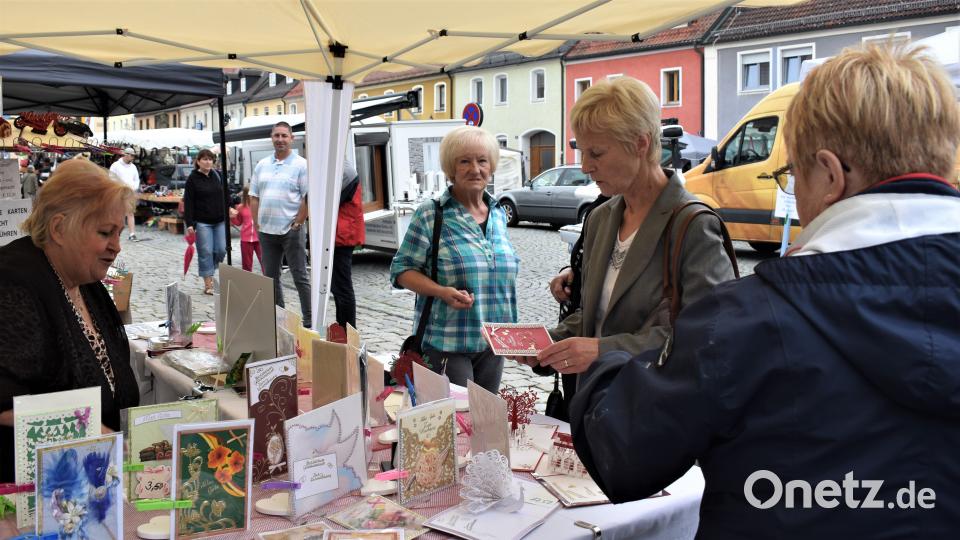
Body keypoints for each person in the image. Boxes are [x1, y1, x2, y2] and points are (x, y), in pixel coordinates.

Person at [570, 43, 960, 537]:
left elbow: (622, 451)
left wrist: (603, 365)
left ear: (830, 175)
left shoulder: (749, 320)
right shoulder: (609, 220)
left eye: (791, 172)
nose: (794, 188)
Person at [515, 77, 736, 390]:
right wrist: (549, 343)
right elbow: (595, 318)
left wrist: (602, 351)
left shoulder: (692, 225)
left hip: (655, 406)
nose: (585, 166)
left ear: (640, 144)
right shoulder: (600, 218)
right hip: (595, 403)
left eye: (596, 153)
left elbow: (711, 334)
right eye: (582, 151)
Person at [0, 160, 140, 481]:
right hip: (33, 485)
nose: (117, 247)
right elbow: (4, 400)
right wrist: (86, 428)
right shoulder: (13, 281)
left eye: (119, 233)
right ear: (59, 228)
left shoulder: (84, 280)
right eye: (105, 232)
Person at [390, 126, 520, 393]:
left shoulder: (497, 213)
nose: (475, 169)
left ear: (491, 166)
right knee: (458, 414)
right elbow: (401, 270)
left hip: (494, 342)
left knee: (484, 414)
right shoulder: (432, 214)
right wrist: (441, 291)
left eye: (482, 160)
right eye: (464, 161)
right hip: (448, 342)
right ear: (451, 169)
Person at [250, 122, 311, 327]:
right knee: (270, 278)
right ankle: (279, 320)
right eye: (276, 135)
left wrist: (298, 223)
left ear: (291, 138)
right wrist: (256, 223)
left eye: (284, 135)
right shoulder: (262, 165)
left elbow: (307, 197)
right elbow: (254, 196)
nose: (280, 139)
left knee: (300, 276)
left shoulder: (301, 165)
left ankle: (310, 321)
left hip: (291, 230)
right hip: (267, 231)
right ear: (271, 138)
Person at [183, 148, 227, 295]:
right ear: (198, 161)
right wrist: (189, 223)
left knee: (221, 250)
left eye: (210, 159)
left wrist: (230, 207)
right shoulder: (192, 179)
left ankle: (210, 269)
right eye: (205, 159)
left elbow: (225, 194)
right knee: (206, 251)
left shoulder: (217, 175)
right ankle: (208, 283)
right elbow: (188, 202)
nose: (208, 162)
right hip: (202, 222)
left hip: (219, 220)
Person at [331, 157, 364, 330]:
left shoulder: (345, 172)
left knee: (342, 288)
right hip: (340, 234)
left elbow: (330, 202)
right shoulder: (341, 168)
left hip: (343, 236)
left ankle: (349, 332)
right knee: (337, 287)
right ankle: (343, 329)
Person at [109, 147, 140, 240]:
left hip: (130, 192)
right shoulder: (115, 165)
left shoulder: (133, 167)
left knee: (130, 213)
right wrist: (119, 186)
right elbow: (111, 178)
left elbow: (136, 180)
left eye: (133, 156)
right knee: (118, 213)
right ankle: (115, 233)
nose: (133, 157)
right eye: (132, 155)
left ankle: (132, 234)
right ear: (126, 155)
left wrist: (134, 187)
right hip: (119, 192)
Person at [230, 185, 263, 273]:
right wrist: (232, 217)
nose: (252, 196)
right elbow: (238, 222)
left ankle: (270, 281)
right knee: (246, 265)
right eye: (250, 194)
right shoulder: (240, 207)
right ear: (245, 195)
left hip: (260, 238)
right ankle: (247, 281)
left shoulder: (261, 206)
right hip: (246, 239)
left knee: (265, 263)